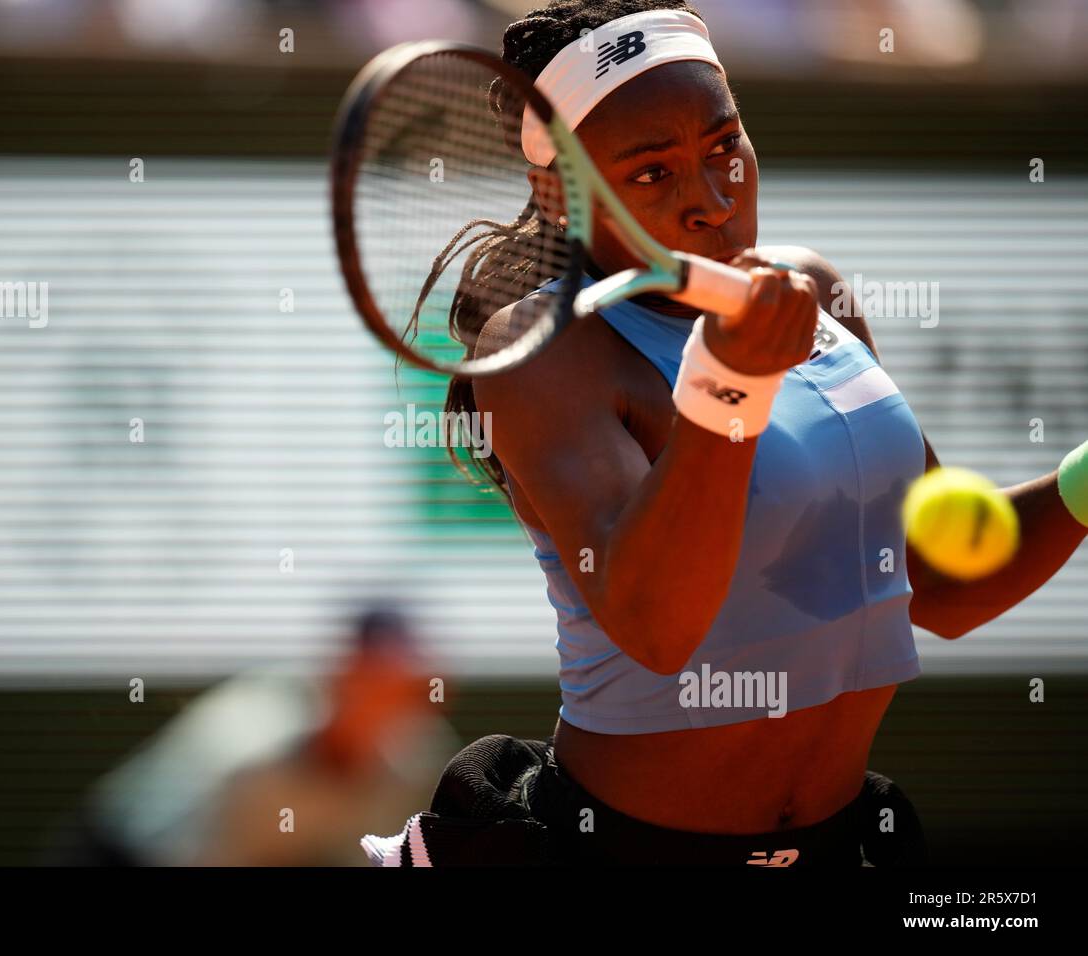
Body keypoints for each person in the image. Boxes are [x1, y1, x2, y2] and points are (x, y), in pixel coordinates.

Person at [364, 0, 1088, 866]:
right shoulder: (542, 352)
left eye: (723, 148)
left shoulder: (812, 291)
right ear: (564, 194)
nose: (709, 200)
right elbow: (658, 627)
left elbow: (938, 579)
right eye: (651, 174)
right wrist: (728, 384)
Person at [60, 607, 453, 866]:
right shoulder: (255, 746)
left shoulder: (416, 766)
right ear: (339, 676)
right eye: (373, 683)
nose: (384, 703)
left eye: (403, 690)